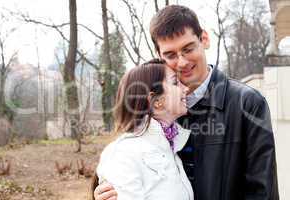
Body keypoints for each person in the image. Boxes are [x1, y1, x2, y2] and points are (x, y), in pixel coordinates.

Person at [94, 5, 279, 200]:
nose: (182, 62)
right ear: (159, 55)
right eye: (171, 55)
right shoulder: (158, 116)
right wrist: (107, 192)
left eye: (188, 49)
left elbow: (262, 191)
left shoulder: (247, 103)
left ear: (204, 39)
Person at [91, 59, 194, 200]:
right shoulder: (123, 154)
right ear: (155, 101)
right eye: (175, 83)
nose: (186, 88)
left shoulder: (171, 146)